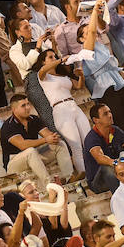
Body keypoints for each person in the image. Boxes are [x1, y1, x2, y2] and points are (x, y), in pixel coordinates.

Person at [77, 1, 124, 130]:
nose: (93, 34)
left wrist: (121, 71)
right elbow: (93, 32)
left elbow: (110, 63)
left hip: (116, 82)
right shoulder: (86, 50)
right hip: (105, 88)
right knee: (118, 118)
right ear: (81, 39)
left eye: (92, 32)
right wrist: (94, 12)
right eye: (86, 33)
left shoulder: (100, 46)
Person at [34, 48, 90, 178]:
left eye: (54, 56)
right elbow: (42, 70)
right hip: (60, 110)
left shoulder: (63, 75)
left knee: (88, 141)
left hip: (74, 106)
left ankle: (95, 170)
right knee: (76, 147)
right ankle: (87, 176)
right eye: (50, 57)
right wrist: (60, 59)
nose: (54, 59)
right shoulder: (43, 76)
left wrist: (81, 75)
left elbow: (78, 86)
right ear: (43, 62)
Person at [0, 94, 73, 186]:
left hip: (34, 156)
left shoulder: (34, 119)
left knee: (60, 144)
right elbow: (22, 145)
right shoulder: (8, 126)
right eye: (23, 106)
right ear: (14, 110)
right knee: (30, 151)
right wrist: (46, 140)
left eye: (28, 104)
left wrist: (53, 137)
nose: (27, 107)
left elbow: (48, 135)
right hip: (14, 163)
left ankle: (69, 178)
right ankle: (49, 185)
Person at [84, 103, 124, 193]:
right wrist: (117, 163)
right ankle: (121, 199)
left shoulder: (116, 130)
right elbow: (100, 158)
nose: (110, 115)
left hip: (118, 171)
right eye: (105, 114)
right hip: (98, 182)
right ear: (96, 120)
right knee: (106, 168)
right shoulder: (91, 137)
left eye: (110, 112)